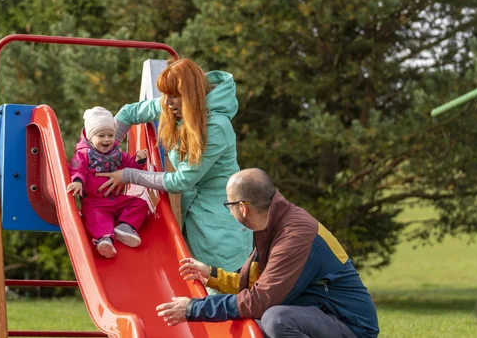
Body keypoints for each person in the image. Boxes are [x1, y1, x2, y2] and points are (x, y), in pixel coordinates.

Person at [155, 168, 380, 338]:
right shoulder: (274, 225)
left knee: (274, 319)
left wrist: (194, 308)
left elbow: (260, 300)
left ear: (242, 207)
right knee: (262, 320)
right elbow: (260, 284)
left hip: (352, 327)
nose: (229, 209)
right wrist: (212, 275)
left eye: (228, 204)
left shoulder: (294, 236)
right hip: (322, 314)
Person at [94, 59, 253, 273]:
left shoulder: (217, 127)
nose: (167, 102)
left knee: (222, 290)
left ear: (191, 95)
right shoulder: (172, 107)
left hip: (221, 223)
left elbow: (182, 180)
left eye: (174, 95)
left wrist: (128, 175)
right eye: (165, 95)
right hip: (195, 214)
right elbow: (128, 113)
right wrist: (106, 153)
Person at [67, 106, 150, 258]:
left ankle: (125, 226)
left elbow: (128, 166)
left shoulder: (116, 153)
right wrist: (78, 182)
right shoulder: (84, 154)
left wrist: (138, 160)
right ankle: (104, 240)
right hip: (95, 203)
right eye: (101, 135)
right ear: (90, 137)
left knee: (141, 204)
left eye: (110, 135)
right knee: (96, 218)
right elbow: (76, 169)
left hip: (117, 200)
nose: (107, 139)